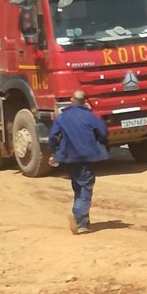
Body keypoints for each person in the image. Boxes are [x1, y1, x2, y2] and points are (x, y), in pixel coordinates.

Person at [48, 90, 109, 234]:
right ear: (84, 102)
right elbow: (103, 133)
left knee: (78, 187)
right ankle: (79, 220)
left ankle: (81, 218)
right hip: (87, 157)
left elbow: (52, 136)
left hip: (70, 157)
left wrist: (53, 152)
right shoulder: (90, 116)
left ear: (71, 100)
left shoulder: (62, 117)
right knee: (86, 188)